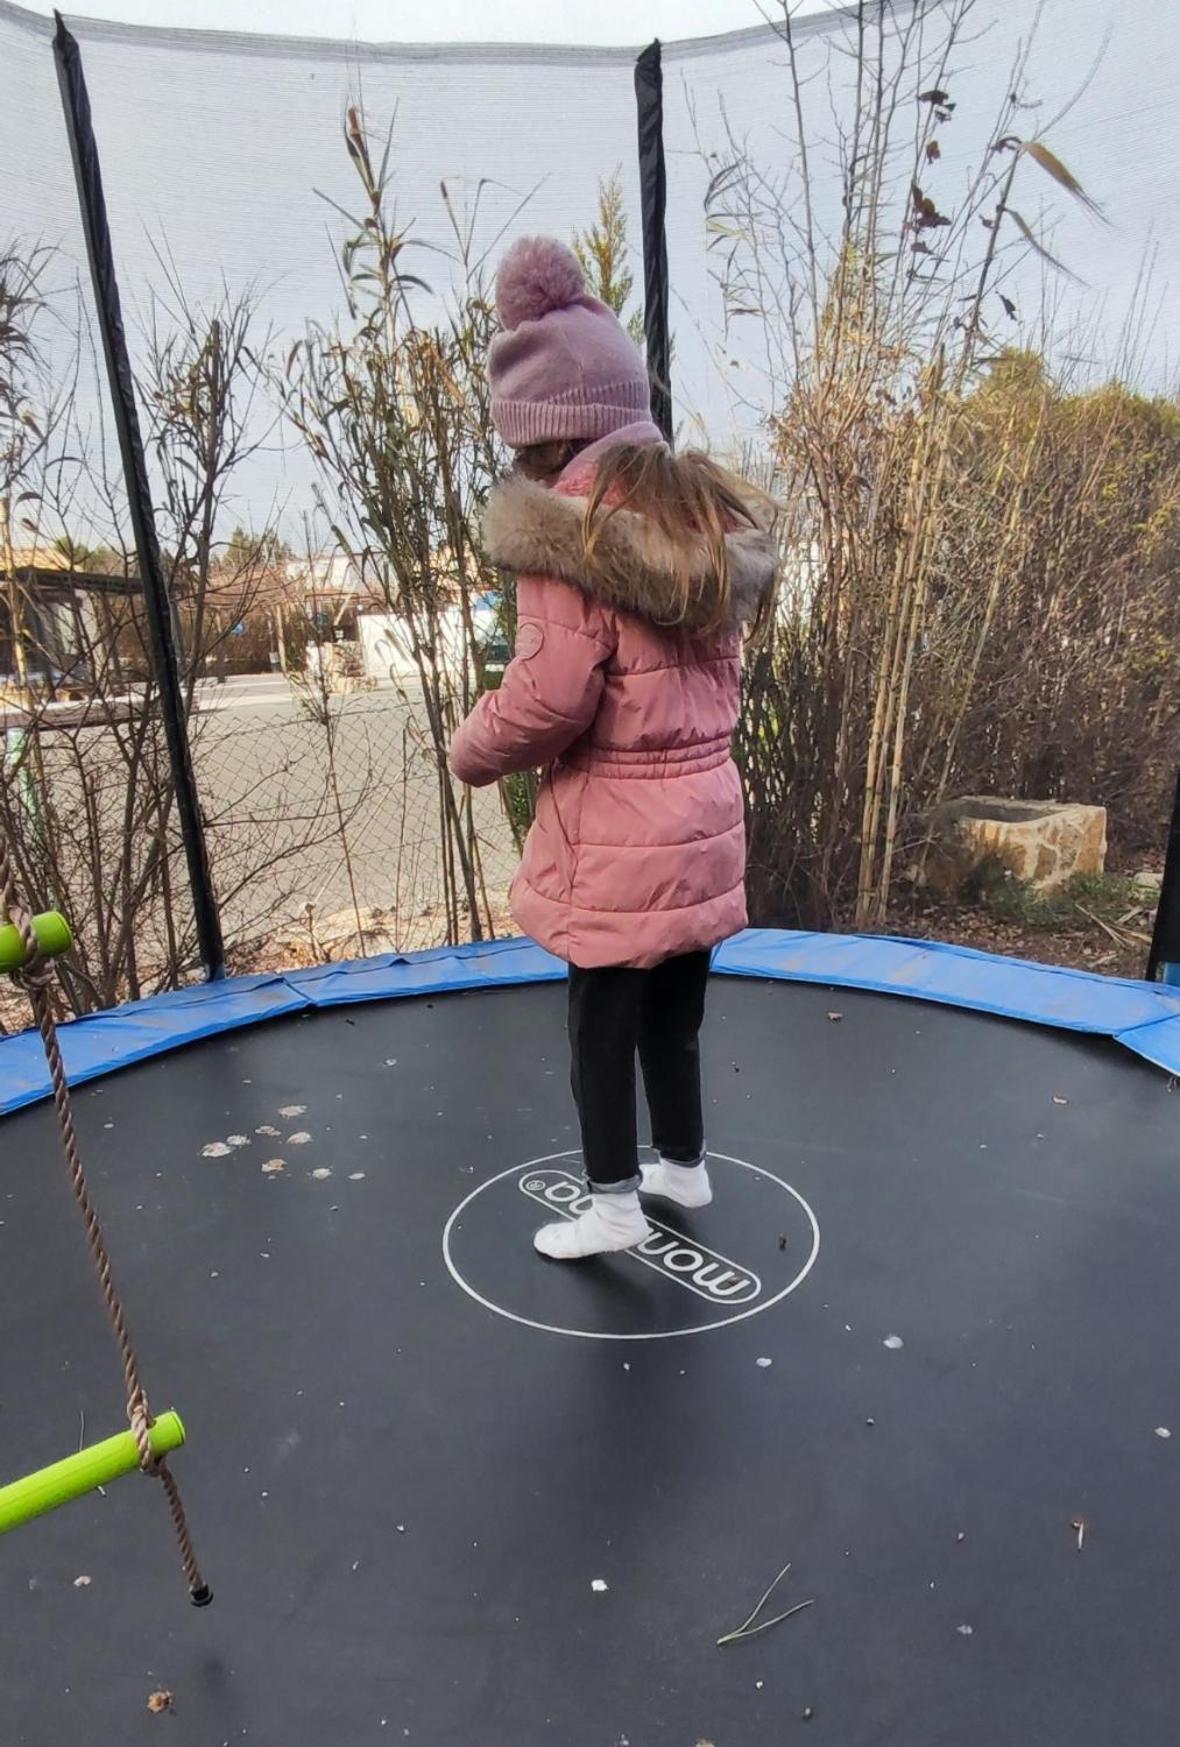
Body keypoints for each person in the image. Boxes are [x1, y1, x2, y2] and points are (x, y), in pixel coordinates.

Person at [449, 236, 778, 1261]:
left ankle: (611, 1204)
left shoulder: (570, 535)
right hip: (704, 820)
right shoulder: (696, 514)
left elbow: (549, 697)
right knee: (672, 1013)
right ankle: (683, 1159)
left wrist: (471, 747)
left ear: (540, 433)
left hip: (620, 837)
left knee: (598, 1023)